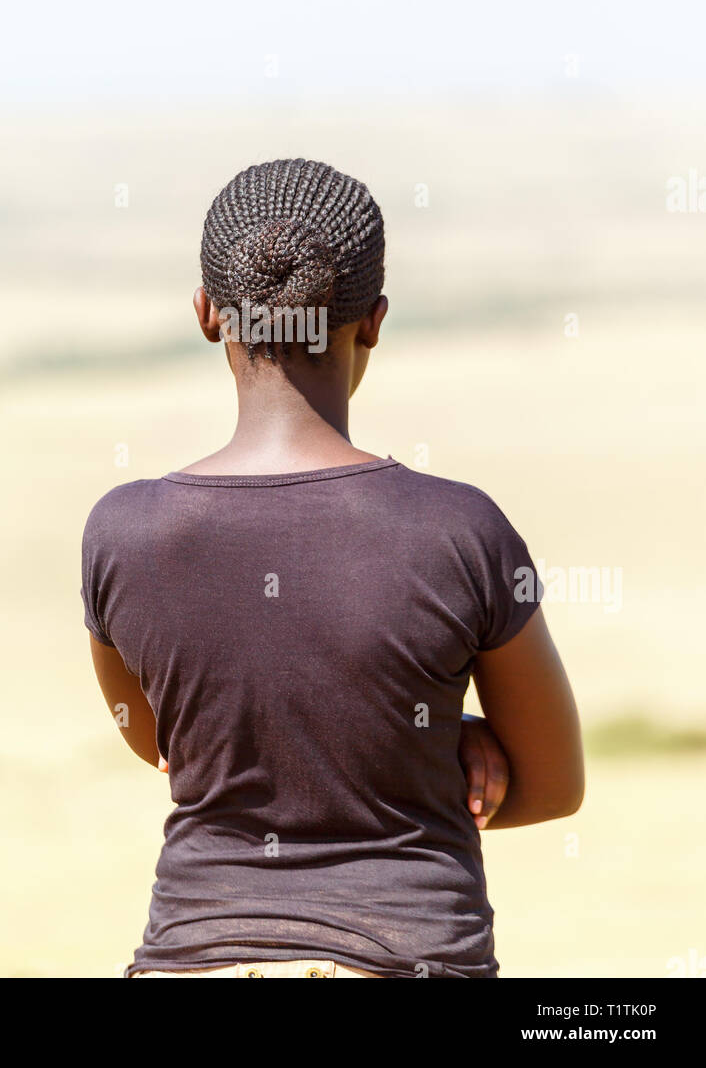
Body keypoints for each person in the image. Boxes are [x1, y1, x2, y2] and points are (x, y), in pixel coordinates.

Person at [81, 158, 584, 979]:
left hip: (191, 960)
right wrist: (430, 738)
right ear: (375, 321)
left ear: (208, 315)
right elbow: (552, 784)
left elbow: (163, 743)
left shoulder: (123, 531)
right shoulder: (459, 529)